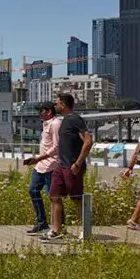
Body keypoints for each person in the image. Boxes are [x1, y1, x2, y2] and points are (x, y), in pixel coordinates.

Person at [44, 93, 93, 242]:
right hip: (61, 165)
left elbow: (88, 141)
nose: (55, 106)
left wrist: (78, 163)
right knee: (54, 196)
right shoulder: (64, 120)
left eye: (57, 103)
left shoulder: (74, 119)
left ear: (63, 105)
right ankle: (57, 229)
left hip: (72, 166)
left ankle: (85, 232)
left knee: (77, 199)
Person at [23, 101, 62, 235]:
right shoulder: (45, 124)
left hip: (52, 165)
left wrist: (38, 158)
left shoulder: (56, 124)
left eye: (41, 110)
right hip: (41, 165)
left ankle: (59, 226)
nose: (39, 113)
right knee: (33, 191)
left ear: (49, 112)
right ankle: (42, 222)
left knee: (54, 197)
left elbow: (57, 147)